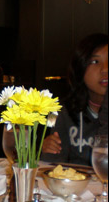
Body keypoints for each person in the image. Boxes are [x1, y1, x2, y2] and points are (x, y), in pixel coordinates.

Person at [42, 33, 108, 165]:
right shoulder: (58, 109)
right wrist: (46, 150)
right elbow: (53, 168)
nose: (105, 69)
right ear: (80, 68)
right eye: (95, 62)